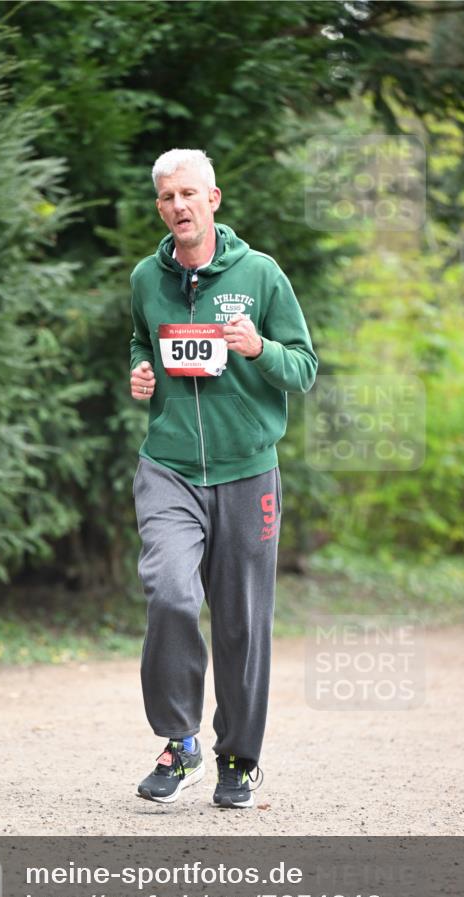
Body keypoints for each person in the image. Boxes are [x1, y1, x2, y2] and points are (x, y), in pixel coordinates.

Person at [129, 148, 317, 808]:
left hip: (247, 471)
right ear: (160, 207)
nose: (177, 205)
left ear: (212, 200)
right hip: (170, 466)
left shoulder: (259, 274)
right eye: (166, 196)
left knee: (241, 623)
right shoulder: (145, 279)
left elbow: (303, 368)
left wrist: (257, 348)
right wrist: (140, 372)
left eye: (188, 193)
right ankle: (179, 742)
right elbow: (141, 340)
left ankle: (237, 757)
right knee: (169, 592)